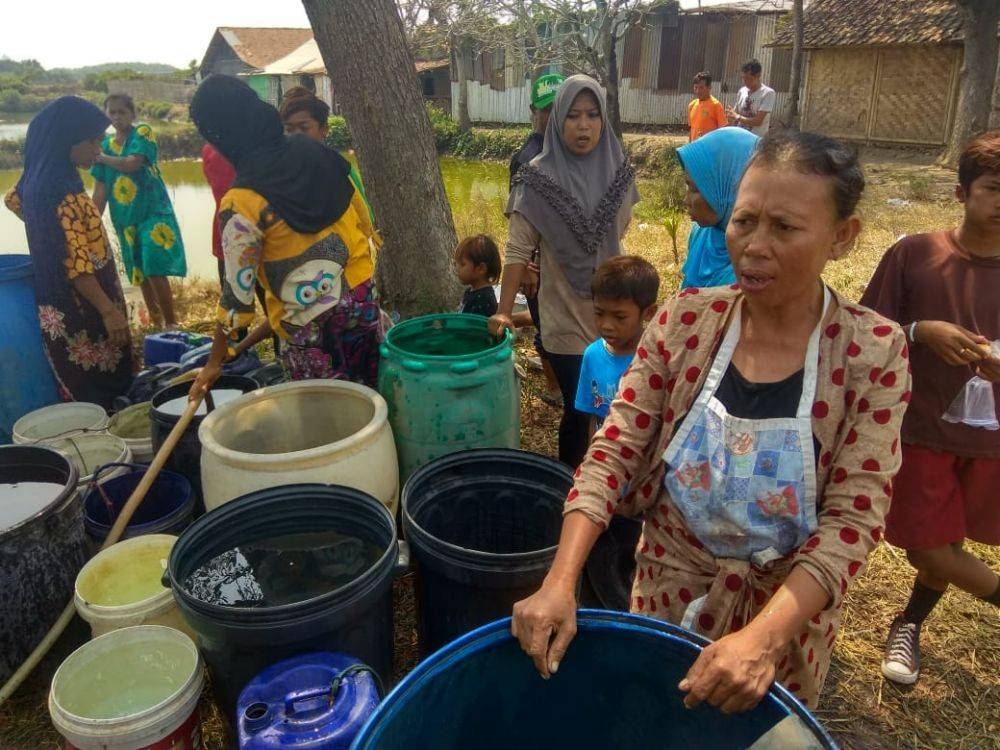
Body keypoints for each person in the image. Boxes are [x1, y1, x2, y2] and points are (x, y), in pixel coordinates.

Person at [510, 132, 912, 712]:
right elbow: (613, 451)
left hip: (783, 616)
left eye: (785, 228)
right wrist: (560, 580)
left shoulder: (873, 352)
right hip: (670, 587)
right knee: (649, 717)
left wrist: (763, 640)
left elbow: (853, 520)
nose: (754, 246)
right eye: (744, 221)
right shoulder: (685, 321)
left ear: (842, 237)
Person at [860, 131, 1000, 686]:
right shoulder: (915, 254)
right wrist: (920, 331)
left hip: (988, 440)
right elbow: (864, 330)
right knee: (928, 548)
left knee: (949, 542)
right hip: (919, 427)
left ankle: (910, 623)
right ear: (963, 193)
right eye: (994, 188)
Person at [187, 75, 380, 394]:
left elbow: (236, 300)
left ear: (220, 138)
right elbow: (364, 221)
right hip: (362, 301)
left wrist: (213, 361)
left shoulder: (242, 202)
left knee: (328, 422)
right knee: (372, 397)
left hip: (307, 327)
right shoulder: (317, 151)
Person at [491, 75, 640, 469]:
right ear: (557, 120)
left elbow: (619, 232)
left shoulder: (619, 170)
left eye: (592, 115)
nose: (584, 125)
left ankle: (609, 484)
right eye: (573, 116)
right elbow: (517, 250)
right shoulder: (536, 178)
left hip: (611, 309)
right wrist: (504, 309)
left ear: (603, 120)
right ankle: (569, 486)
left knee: (614, 407)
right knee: (578, 411)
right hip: (562, 312)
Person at [3, 97, 133, 408]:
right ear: (67, 139)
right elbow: (78, 269)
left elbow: (12, 200)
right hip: (84, 309)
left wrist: (49, 236)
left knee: (76, 383)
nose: (97, 149)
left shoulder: (37, 179)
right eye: (92, 141)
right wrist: (109, 312)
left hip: (54, 301)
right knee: (102, 390)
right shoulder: (62, 192)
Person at [91, 93, 186, 329]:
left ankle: (172, 324)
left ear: (132, 114)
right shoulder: (103, 145)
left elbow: (133, 164)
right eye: (111, 112)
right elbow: (100, 190)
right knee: (139, 272)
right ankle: (156, 323)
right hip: (125, 218)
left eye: (121, 112)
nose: (116, 117)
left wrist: (103, 158)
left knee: (153, 266)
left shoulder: (142, 132)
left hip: (152, 212)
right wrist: (91, 222)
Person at [510, 72, 566, 409]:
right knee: (544, 323)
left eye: (560, 109)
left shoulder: (568, 149)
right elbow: (519, 222)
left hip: (562, 261)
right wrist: (528, 267)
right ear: (534, 110)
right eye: (546, 110)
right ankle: (553, 386)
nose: (552, 117)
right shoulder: (527, 157)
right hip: (538, 261)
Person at [575, 256, 659, 438]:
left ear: (649, 313)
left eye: (619, 317)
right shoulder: (592, 355)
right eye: (599, 313)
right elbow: (594, 417)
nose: (606, 325)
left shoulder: (655, 361)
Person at [280, 86, 377, 231]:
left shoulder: (340, 170)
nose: (296, 135)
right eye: (289, 129)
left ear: (324, 130)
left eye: (304, 128)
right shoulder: (277, 171)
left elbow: (365, 221)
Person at [677, 127, 759, 289]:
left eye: (694, 189)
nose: (686, 200)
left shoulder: (757, 264)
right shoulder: (701, 234)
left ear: (730, 186)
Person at [201, 143, 236, 287]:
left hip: (225, 225)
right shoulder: (257, 145)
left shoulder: (210, 149)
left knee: (232, 293)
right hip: (250, 224)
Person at [455, 234, 500, 317]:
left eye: (462, 264)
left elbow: (475, 328)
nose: (457, 268)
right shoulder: (469, 291)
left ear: (481, 269)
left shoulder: (484, 299)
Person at [728, 59, 776, 137]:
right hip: (739, 138)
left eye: (748, 78)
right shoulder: (742, 91)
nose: (744, 81)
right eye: (743, 78)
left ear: (758, 76)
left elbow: (758, 121)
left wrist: (737, 117)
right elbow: (735, 116)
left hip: (755, 141)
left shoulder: (768, 93)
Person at [688, 71, 727, 142]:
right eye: (695, 87)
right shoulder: (692, 105)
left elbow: (723, 131)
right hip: (695, 148)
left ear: (709, 88)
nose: (697, 91)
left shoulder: (716, 105)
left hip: (710, 149)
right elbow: (691, 129)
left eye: (701, 88)